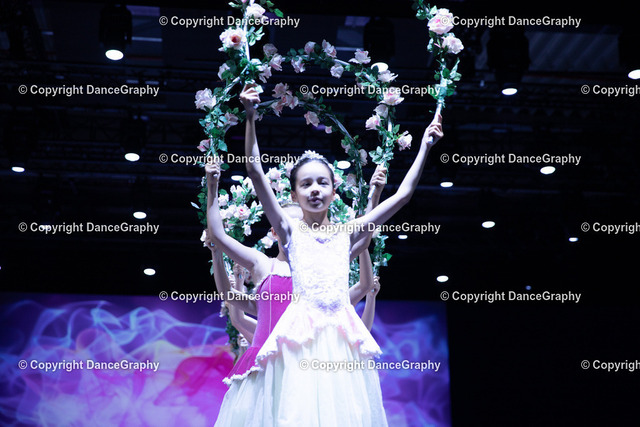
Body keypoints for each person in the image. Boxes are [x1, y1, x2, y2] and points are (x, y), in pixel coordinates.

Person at [224, 83, 443, 426]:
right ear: (294, 194)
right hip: (299, 339)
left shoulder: (347, 232)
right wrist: (250, 116)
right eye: (306, 184)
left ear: (334, 190)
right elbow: (254, 170)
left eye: (322, 183)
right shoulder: (288, 231)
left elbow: (403, 196)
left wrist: (426, 146)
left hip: (341, 340)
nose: (315, 190)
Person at [205, 161, 386, 394]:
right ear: (275, 230)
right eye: (287, 224)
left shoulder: (323, 262)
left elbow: (363, 240)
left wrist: (374, 195)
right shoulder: (263, 264)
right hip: (268, 364)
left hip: (310, 360)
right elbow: (221, 248)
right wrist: (212, 186)